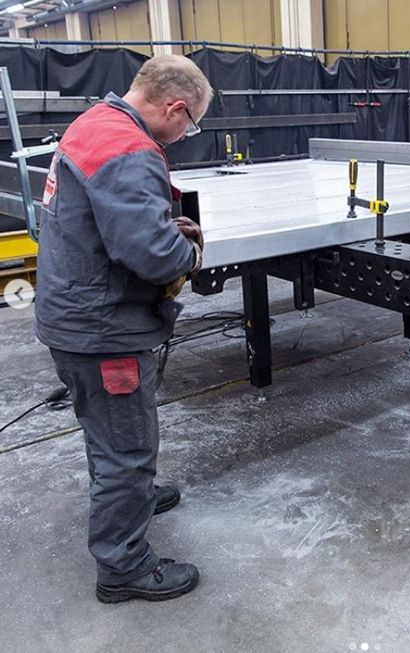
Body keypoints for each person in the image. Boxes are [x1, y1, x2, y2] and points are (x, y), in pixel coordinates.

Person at [34, 55, 213, 603]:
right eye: (190, 125)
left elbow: (113, 223)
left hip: (73, 314)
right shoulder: (128, 147)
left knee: (107, 431)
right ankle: (124, 567)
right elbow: (156, 257)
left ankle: (130, 496)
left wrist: (159, 225)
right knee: (128, 449)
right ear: (174, 106)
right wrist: (188, 246)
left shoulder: (94, 124)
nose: (185, 136)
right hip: (103, 329)